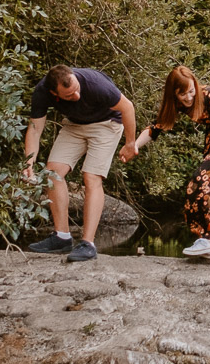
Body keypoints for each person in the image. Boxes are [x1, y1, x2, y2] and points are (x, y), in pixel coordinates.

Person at [22, 64, 137, 263]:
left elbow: (127, 107)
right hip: (75, 126)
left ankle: (88, 243)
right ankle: (62, 237)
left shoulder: (95, 83)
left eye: (77, 90)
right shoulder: (42, 92)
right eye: (69, 95)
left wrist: (130, 142)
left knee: (91, 177)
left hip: (107, 124)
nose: (76, 96)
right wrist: (28, 162)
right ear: (54, 93)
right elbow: (34, 130)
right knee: (52, 173)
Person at [142, 65, 210, 258]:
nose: (188, 97)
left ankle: (209, 239)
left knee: (201, 181)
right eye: (182, 94)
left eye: (191, 91)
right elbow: (156, 128)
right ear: (174, 94)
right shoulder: (175, 104)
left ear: (196, 85)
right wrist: (134, 146)